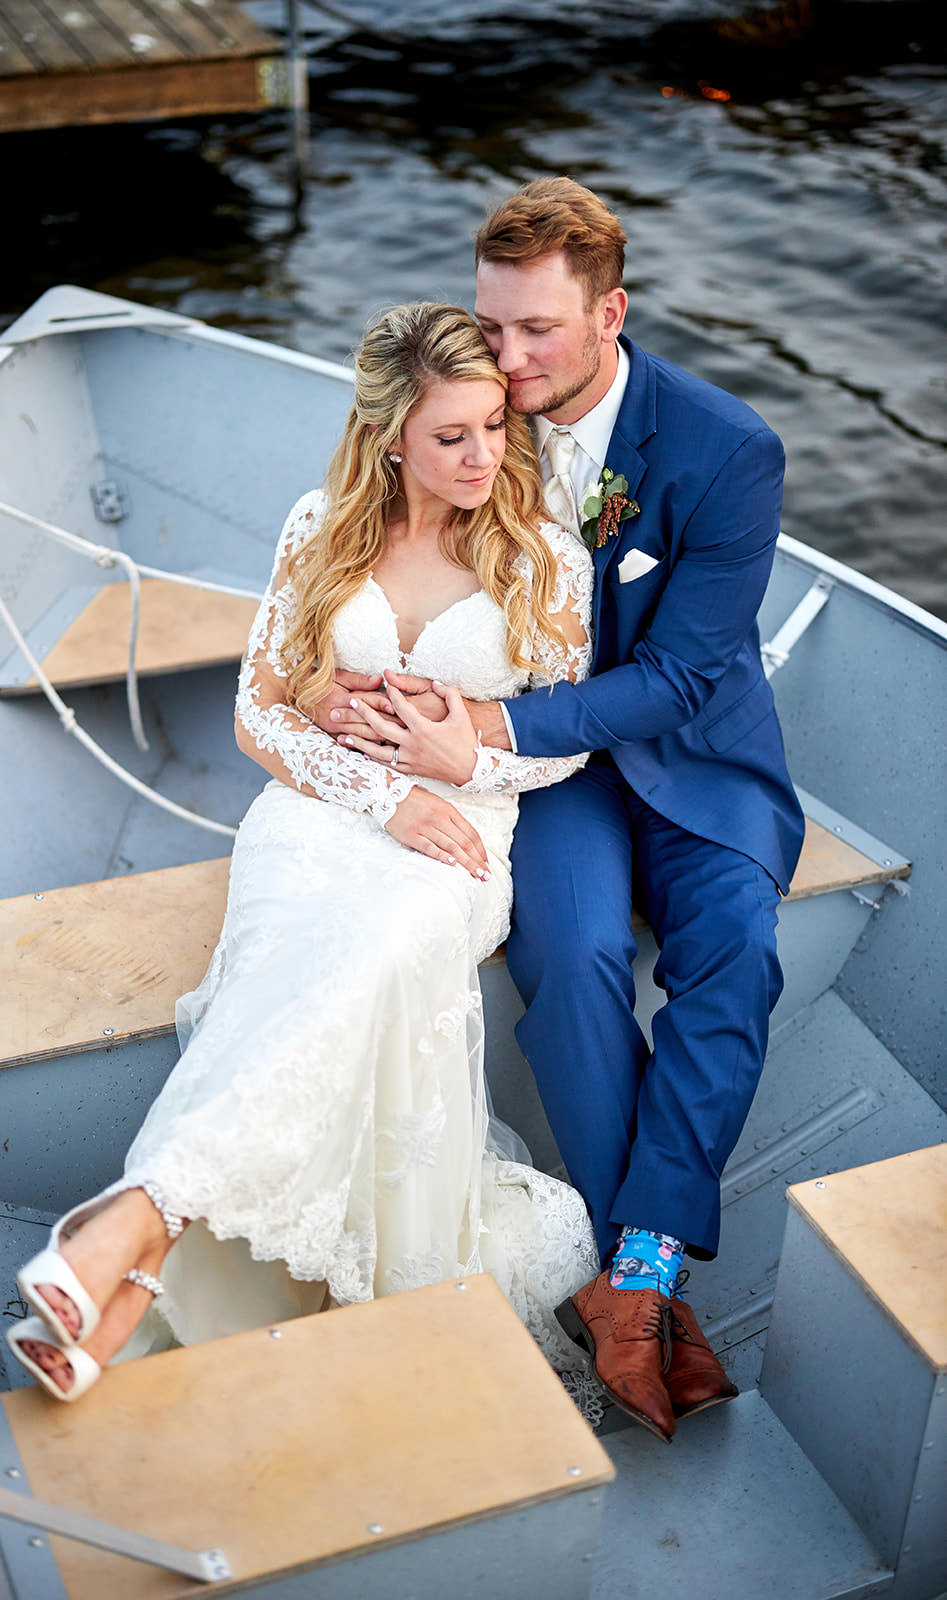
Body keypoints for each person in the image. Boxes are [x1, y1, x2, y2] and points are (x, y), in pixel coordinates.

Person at [5, 301, 604, 1414]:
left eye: (492, 427)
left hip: (461, 830)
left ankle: (131, 1231)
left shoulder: (546, 561)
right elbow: (256, 716)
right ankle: (134, 1254)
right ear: (389, 437)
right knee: (291, 967)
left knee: (374, 953)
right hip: (317, 816)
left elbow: (561, 751)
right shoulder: (319, 525)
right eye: (450, 435)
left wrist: (460, 744)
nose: (482, 455)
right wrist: (380, 791)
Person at [322, 179, 805, 1444]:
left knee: (734, 956)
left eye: (537, 329)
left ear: (609, 316)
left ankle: (629, 1273)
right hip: (555, 784)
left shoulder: (722, 447)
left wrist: (481, 728)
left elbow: (688, 674)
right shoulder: (478, 417)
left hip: (691, 757)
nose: (508, 358)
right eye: (493, 324)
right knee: (578, 955)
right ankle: (637, 1290)